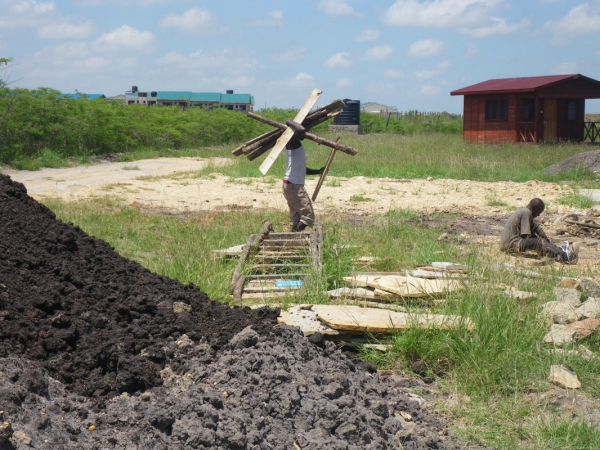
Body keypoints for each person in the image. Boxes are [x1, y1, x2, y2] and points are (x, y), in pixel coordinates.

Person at [500, 198, 580, 264]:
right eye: (539, 212)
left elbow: (537, 228)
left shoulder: (523, 211)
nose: (538, 215)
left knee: (540, 242)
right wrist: (542, 243)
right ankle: (565, 257)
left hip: (506, 245)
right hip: (512, 245)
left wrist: (548, 243)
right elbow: (526, 236)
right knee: (538, 242)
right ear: (534, 209)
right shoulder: (526, 213)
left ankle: (558, 250)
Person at [282, 118, 325, 232]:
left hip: (291, 184)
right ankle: (294, 235)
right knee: (308, 215)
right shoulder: (292, 140)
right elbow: (301, 130)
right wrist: (289, 121)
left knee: (297, 217)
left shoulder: (297, 143)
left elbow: (302, 169)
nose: (306, 133)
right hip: (293, 186)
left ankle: (293, 238)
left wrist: (318, 171)